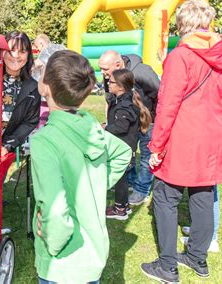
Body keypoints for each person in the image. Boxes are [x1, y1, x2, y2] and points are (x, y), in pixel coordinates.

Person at [141, 0, 222, 283]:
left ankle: (168, 265)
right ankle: (198, 257)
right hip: (214, 136)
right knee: (203, 196)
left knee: (165, 196)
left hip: (184, 136)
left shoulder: (181, 56)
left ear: (183, 24)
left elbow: (167, 104)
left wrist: (156, 146)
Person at [31, 50, 132, 283]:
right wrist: (93, 188)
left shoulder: (44, 141)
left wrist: (53, 243)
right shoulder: (91, 126)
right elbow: (122, 153)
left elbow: (54, 210)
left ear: (46, 86)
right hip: (92, 258)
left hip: (61, 265)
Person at [98, 50, 160, 205]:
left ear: (118, 65)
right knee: (126, 151)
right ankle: (129, 181)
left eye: (105, 69)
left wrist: (153, 117)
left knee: (146, 155)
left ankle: (141, 190)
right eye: (101, 68)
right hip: (126, 121)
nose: (102, 73)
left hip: (148, 120)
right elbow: (109, 99)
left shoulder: (142, 72)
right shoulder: (109, 77)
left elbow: (160, 92)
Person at [104, 68, 151, 220]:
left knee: (120, 179)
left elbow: (121, 127)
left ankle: (120, 209)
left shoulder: (125, 105)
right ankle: (124, 205)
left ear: (120, 86)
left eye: (110, 82)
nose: (108, 84)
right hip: (124, 147)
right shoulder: (125, 98)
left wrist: (104, 128)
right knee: (121, 177)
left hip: (123, 148)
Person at [2, 31, 41, 154]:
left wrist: (8, 145)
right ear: (2, 52)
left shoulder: (33, 87)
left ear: (28, 55)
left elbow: (30, 121)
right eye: (11, 50)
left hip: (3, 151)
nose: (16, 56)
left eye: (22, 51)